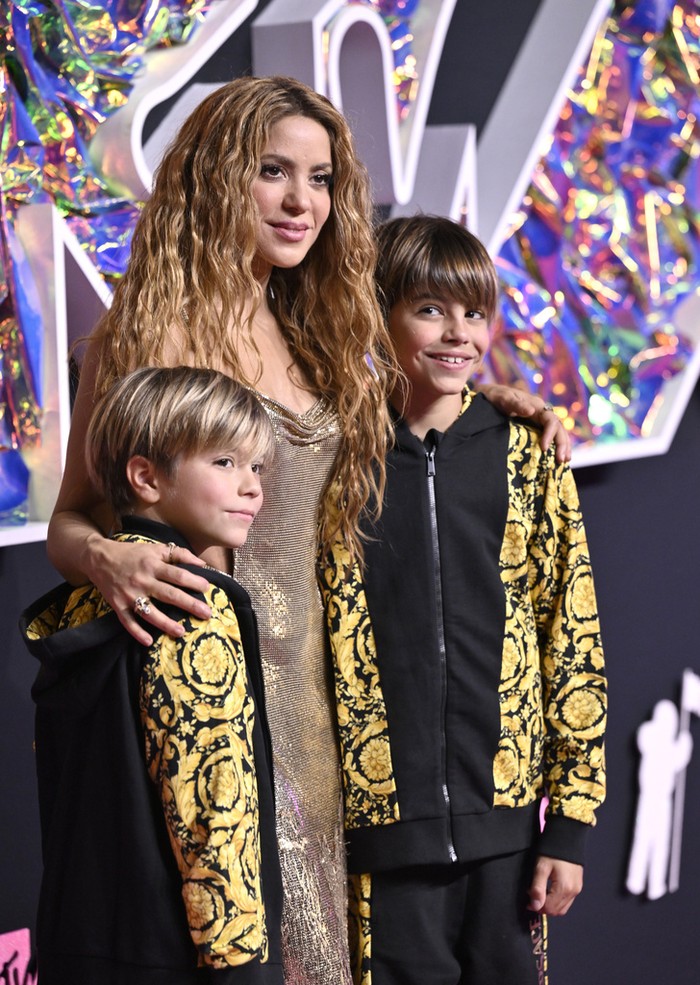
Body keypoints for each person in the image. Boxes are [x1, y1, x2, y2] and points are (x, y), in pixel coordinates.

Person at [45, 76, 570, 984]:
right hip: (222, 712)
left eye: (321, 178)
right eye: (273, 172)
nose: (303, 203)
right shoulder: (148, 328)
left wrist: (486, 401)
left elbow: (400, 417)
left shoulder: (316, 323)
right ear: (216, 176)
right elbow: (70, 514)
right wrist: (108, 554)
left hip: (336, 715)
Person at [319, 215, 607, 985]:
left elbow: (571, 639)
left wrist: (570, 825)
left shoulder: (530, 454)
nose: (458, 333)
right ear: (379, 312)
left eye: (474, 312)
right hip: (383, 838)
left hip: (511, 839)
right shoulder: (336, 462)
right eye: (429, 309)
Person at [21, 366, 282, 984]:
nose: (251, 488)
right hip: (181, 957)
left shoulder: (85, 601)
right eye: (225, 462)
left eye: (257, 467)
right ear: (145, 476)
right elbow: (212, 811)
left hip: (84, 948)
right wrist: (241, 969)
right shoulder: (193, 608)